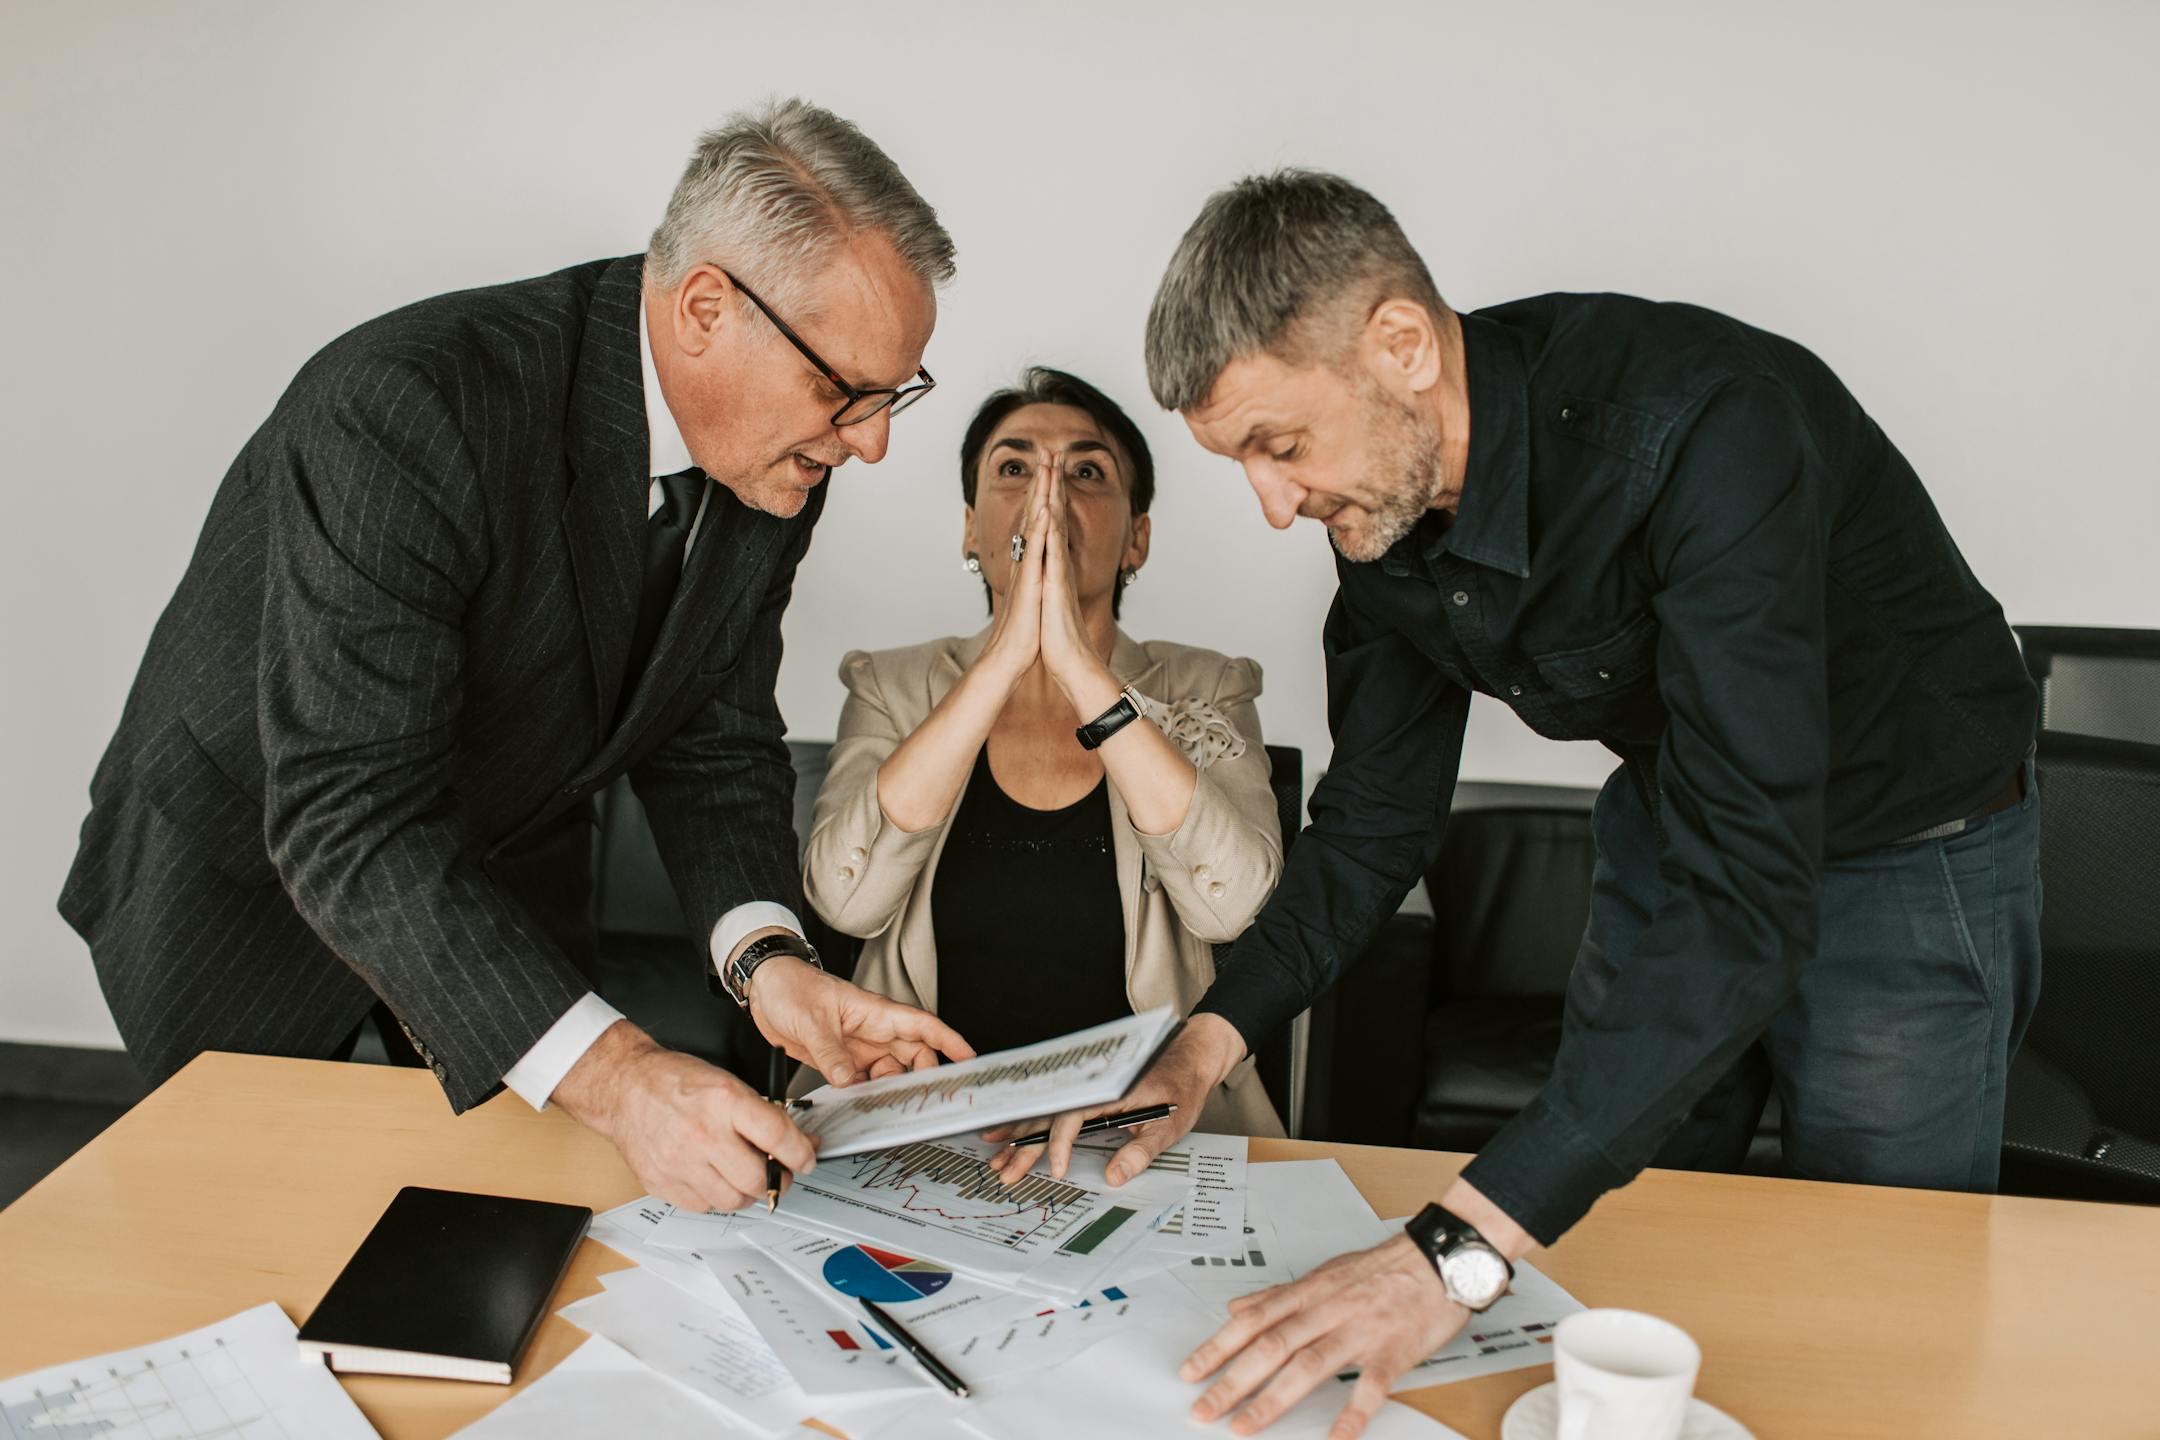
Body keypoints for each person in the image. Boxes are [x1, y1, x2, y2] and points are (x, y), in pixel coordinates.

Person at [1022, 170, 2043, 1438]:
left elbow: (1752, 900)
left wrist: (1439, 1255)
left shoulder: (1705, 427)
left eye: (1280, 448)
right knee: (1618, 1250)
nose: (1274, 506)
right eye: (1241, 465)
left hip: (1911, 843)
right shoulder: (1382, 527)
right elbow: (1372, 829)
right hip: (1681, 818)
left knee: (1880, 1303)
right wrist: (1202, 1045)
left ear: (1400, 345)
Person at [57, 99, 976, 1216]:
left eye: (895, 396)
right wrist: (622, 1075)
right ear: (704, 309)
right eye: (849, 392)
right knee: (254, 1237)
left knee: (510, 1241)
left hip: (502, 869)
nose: (873, 442)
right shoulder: (408, 406)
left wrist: (771, 967)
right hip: (249, 890)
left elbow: (710, 732)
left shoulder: (774, 456)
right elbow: (351, 820)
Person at [800, 368, 1287, 1157]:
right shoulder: (890, 684)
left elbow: (1229, 908)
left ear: (1137, 538)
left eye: (1087, 472)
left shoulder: (1211, 684)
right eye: (1014, 468)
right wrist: (1001, 664)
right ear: (969, 529)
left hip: (1137, 1133)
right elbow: (845, 898)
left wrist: (1079, 669)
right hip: (917, 1134)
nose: (1047, 498)